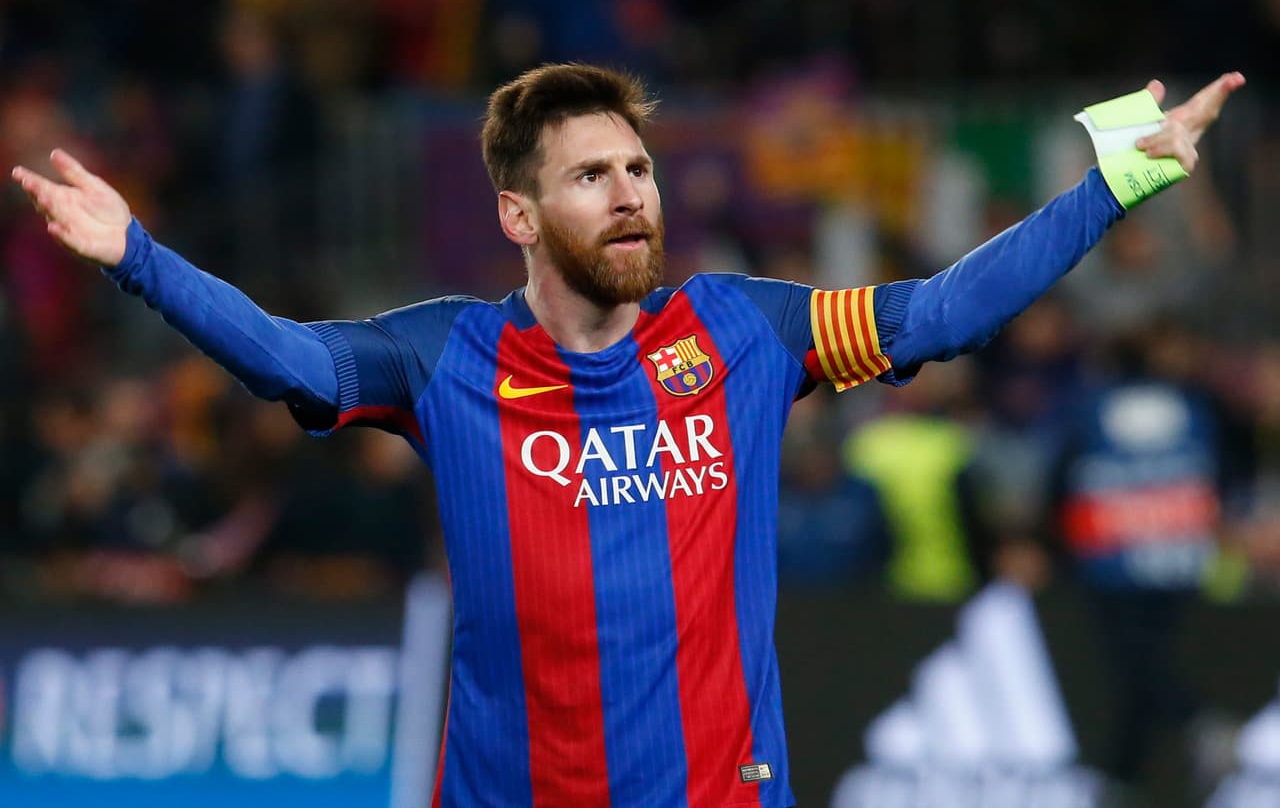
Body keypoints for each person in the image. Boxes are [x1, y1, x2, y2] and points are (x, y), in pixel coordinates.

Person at [12, 63, 1243, 807]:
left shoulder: (744, 335)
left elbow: (938, 313)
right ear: (517, 213)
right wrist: (140, 259)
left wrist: (1115, 181)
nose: (630, 193)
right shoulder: (445, 357)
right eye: (592, 174)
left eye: (639, 168)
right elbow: (283, 353)